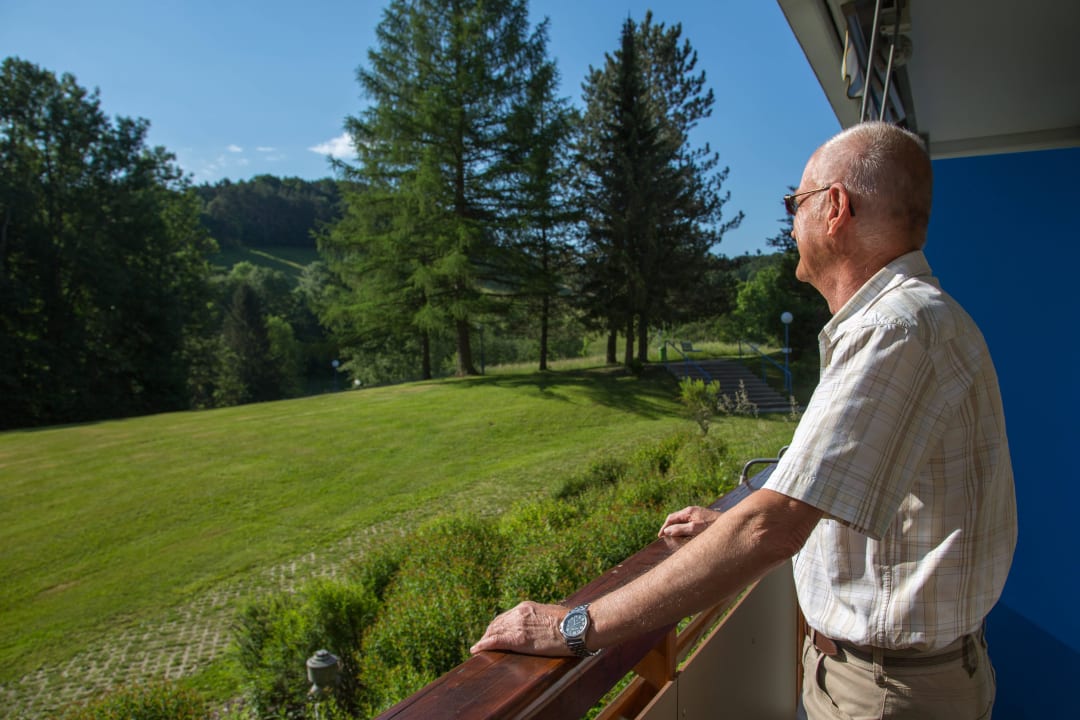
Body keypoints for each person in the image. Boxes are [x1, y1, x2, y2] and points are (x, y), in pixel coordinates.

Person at [470, 121, 1017, 720]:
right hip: (890, 677)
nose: (790, 221)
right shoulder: (924, 319)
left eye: (795, 202)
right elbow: (840, 506)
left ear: (835, 208)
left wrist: (576, 624)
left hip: (886, 694)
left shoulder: (893, 329)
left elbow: (774, 527)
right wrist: (728, 522)